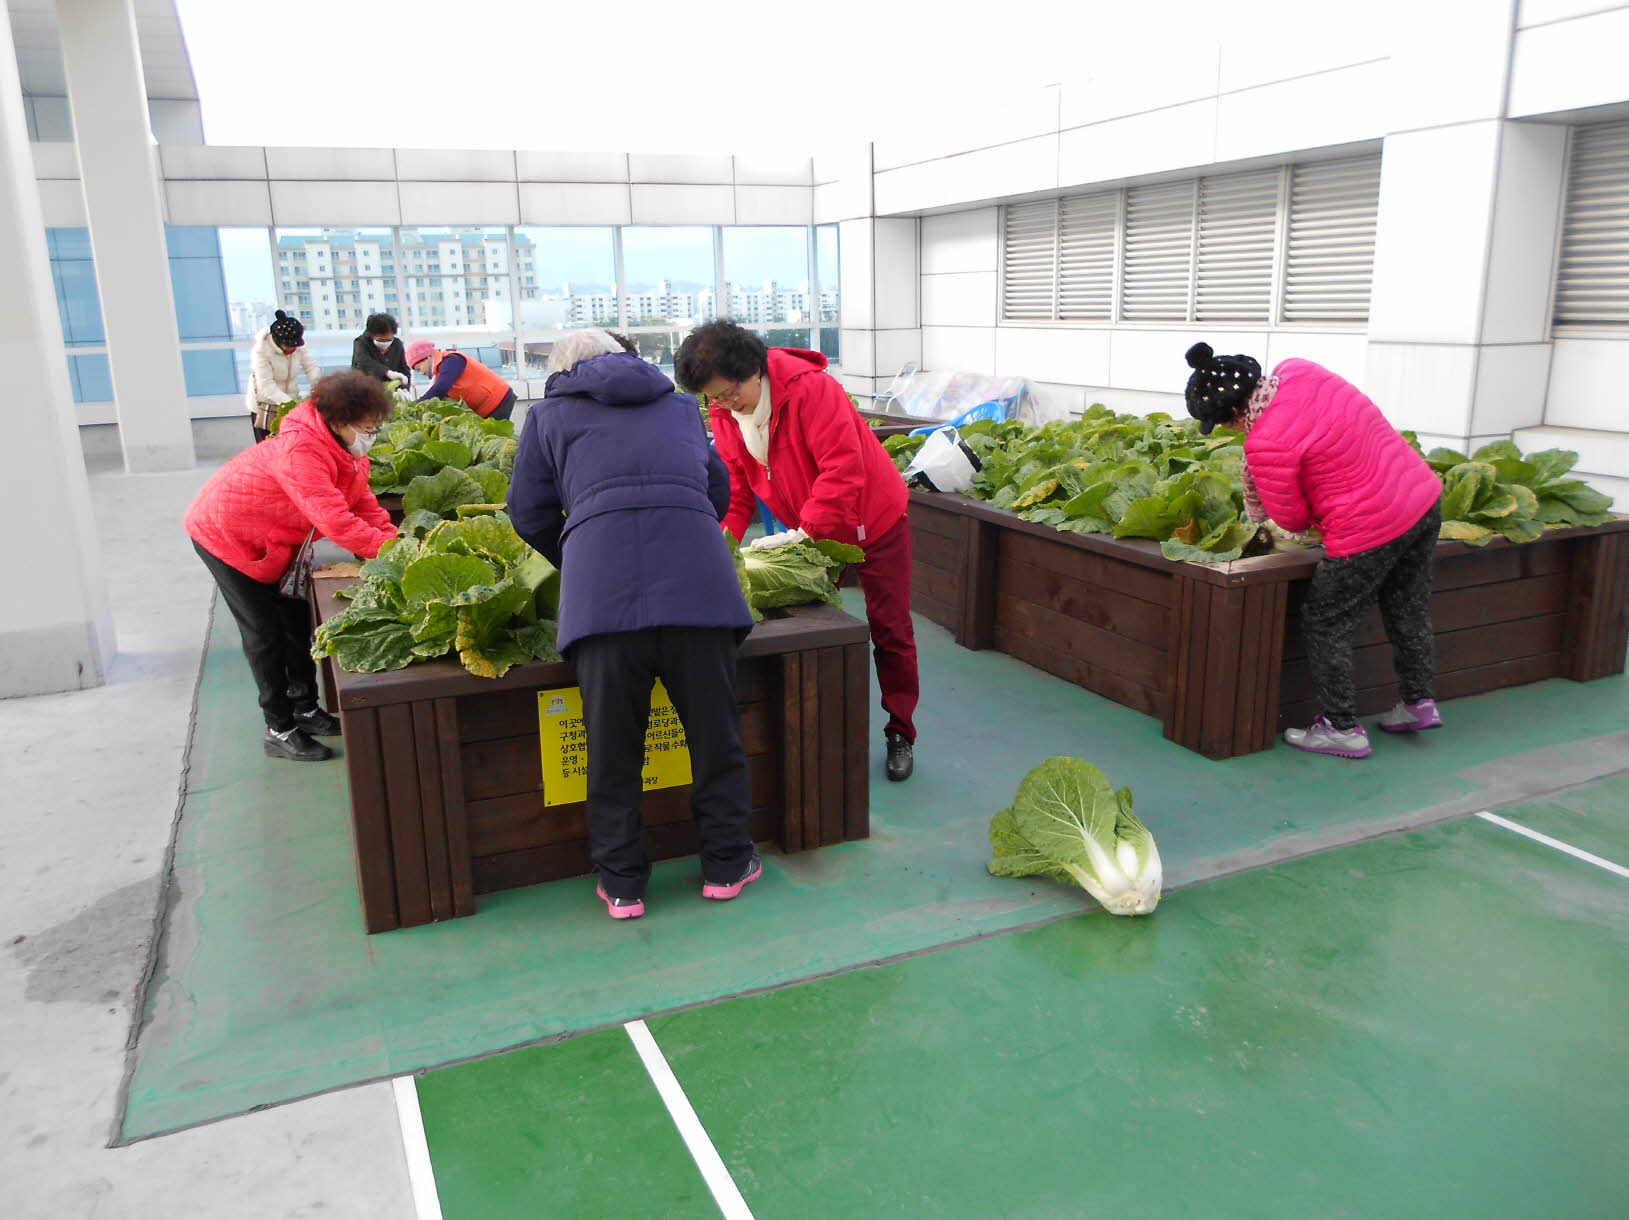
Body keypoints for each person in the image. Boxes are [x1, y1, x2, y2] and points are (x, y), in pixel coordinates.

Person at [507, 330, 758, 921]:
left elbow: (527, 511)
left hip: (603, 600)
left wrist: (583, 554)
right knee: (715, 736)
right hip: (699, 588)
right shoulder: (678, 405)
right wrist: (685, 530)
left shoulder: (547, 416)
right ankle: (726, 864)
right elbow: (716, 491)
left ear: (563, 369)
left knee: (613, 748)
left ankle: (623, 885)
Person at [675, 321, 919, 783]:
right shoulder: (726, 412)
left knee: (890, 628)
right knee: (810, 624)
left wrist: (805, 541)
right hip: (809, 527)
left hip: (873, 521)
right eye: (714, 398)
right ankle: (819, 734)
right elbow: (737, 485)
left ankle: (899, 729)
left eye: (730, 392)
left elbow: (842, 471)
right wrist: (721, 543)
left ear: (754, 370)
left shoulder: (812, 391)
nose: (725, 405)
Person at [1182, 342, 1445, 760]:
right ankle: (1418, 703)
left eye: (1224, 425)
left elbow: (1291, 519)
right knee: (1407, 607)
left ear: (1233, 415)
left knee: (1326, 621)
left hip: (1368, 529)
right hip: (1421, 498)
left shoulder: (1265, 443)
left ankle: (1341, 728)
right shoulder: (1301, 369)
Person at [186, 371, 398, 763]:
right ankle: (278, 728)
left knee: (296, 620)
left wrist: (394, 540)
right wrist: (389, 552)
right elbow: (335, 520)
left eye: (375, 425)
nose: (373, 433)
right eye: (367, 426)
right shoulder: (301, 450)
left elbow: (362, 503)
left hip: (275, 540)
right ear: (339, 419)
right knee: (264, 633)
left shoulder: (345, 450)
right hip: (224, 535)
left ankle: (305, 708)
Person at [246, 310, 322, 442]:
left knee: (292, 444)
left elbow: (311, 366)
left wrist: (319, 388)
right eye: (289, 345)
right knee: (269, 447)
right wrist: (290, 404)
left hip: (289, 403)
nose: (293, 349)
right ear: (278, 341)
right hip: (266, 407)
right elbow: (266, 385)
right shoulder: (261, 351)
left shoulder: (297, 346)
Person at [405, 339, 516, 421]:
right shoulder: (441, 370)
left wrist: (416, 405)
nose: (421, 372)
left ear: (427, 357)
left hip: (498, 400)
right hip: (487, 406)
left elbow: (440, 388)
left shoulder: (451, 360)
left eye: (419, 368)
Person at [351, 313, 411, 390]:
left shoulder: (397, 344)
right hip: (365, 391)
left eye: (389, 340)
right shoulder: (361, 343)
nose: (385, 343)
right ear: (372, 335)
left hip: (392, 392)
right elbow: (363, 361)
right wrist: (387, 372)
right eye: (381, 340)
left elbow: (404, 369)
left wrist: (404, 389)